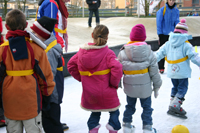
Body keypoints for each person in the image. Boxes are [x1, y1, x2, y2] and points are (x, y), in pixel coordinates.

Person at [0, 9, 55, 133]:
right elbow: (46, 77)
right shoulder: (37, 49)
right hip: (31, 102)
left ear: (6, 26)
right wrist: (47, 96)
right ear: (26, 25)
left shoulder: (1, 50)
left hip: (10, 102)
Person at [67, 25, 123, 133]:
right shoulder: (108, 53)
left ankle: (93, 129)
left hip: (90, 93)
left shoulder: (82, 53)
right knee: (114, 111)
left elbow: (70, 65)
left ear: (92, 35)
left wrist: (82, 78)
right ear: (107, 38)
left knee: (95, 112)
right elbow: (118, 67)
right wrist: (113, 83)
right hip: (107, 91)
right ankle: (113, 127)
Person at [118, 24, 162, 133]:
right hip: (145, 89)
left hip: (130, 88)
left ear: (131, 37)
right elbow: (155, 73)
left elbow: (117, 71)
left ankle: (127, 126)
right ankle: (147, 128)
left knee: (130, 106)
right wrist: (157, 87)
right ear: (144, 38)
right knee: (147, 108)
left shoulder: (122, 53)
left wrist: (117, 84)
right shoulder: (149, 53)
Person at [155, 19, 200, 118]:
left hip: (172, 72)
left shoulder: (168, 43)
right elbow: (194, 57)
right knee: (182, 88)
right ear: (185, 33)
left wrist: (150, 61)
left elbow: (158, 54)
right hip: (183, 72)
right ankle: (175, 105)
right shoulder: (186, 44)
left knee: (175, 87)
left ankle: (172, 104)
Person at [37, 0, 69, 130]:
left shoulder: (52, 3)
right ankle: (53, 122)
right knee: (54, 87)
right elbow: (49, 27)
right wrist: (55, 46)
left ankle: (53, 120)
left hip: (52, 46)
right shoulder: (52, 4)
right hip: (51, 46)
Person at [30, 16, 66, 133]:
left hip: (51, 95)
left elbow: (47, 75)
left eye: (35, 32)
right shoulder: (46, 47)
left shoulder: (49, 51)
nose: (32, 35)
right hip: (51, 93)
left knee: (51, 123)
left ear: (43, 34)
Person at [156, 0, 179, 74]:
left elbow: (177, 22)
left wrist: (177, 32)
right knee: (162, 51)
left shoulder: (176, 10)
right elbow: (159, 22)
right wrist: (160, 33)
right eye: (170, 0)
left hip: (172, 35)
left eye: (173, 0)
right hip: (163, 34)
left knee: (173, 51)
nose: (171, 2)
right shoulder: (162, 10)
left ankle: (173, 66)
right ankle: (161, 67)